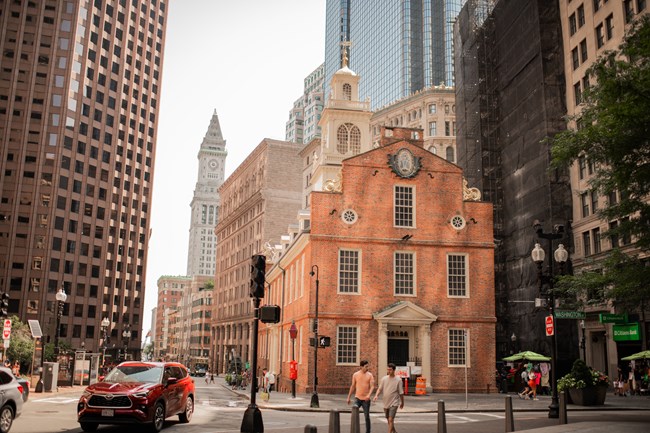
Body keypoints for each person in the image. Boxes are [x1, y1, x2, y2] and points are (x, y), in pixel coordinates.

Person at [373, 363, 404, 433]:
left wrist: (402, 402)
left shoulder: (398, 380)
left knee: (390, 419)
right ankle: (394, 432)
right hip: (386, 402)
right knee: (388, 419)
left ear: (394, 370)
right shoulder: (384, 379)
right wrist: (376, 395)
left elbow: (401, 393)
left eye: (390, 370)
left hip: (394, 402)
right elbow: (380, 389)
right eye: (388, 370)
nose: (388, 371)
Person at [347, 360, 375, 433]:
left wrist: (369, 395)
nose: (367, 368)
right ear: (361, 367)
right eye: (366, 367)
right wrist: (348, 397)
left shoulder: (370, 375)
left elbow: (372, 386)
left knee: (366, 417)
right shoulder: (355, 375)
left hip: (366, 400)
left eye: (367, 366)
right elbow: (353, 386)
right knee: (354, 414)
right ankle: (354, 430)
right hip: (357, 398)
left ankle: (368, 431)